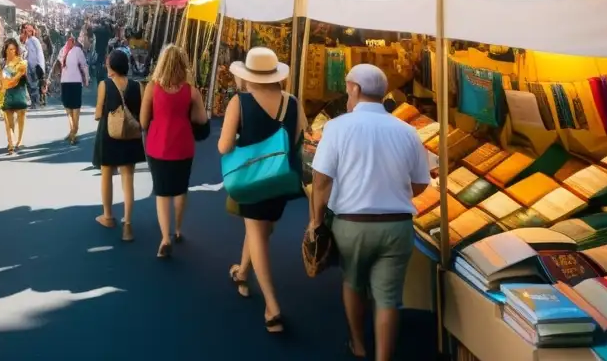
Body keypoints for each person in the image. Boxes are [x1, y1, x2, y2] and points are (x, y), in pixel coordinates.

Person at [310, 64, 429, 361]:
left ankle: (359, 344)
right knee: (389, 299)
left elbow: (321, 181)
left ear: (355, 89)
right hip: (397, 226)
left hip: (352, 224)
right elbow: (420, 184)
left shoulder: (337, 127)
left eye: (348, 88)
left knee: (353, 282)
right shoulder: (408, 131)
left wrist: (316, 222)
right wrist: (395, 193)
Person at [218, 47, 306, 334]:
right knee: (260, 230)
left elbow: (224, 146)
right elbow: (297, 139)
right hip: (281, 180)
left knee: (258, 235)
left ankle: (272, 306)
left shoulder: (240, 103)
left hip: (251, 179)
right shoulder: (292, 102)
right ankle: (242, 273)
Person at [140, 44, 207, 258]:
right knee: (180, 188)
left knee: (162, 191)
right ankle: (178, 229)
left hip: (158, 144)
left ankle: (165, 238)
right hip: (183, 144)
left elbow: (143, 121)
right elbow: (202, 119)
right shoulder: (191, 91)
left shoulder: (152, 88)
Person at [93, 48, 145, 242]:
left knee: (106, 174)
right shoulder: (137, 86)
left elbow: (98, 114)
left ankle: (107, 216)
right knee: (128, 178)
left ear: (112, 66)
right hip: (131, 136)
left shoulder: (104, 85)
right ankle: (128, 225)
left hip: (109, 135)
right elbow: (141, 112)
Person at [0, 38, 31, 154]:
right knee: (9, 120)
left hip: (19, 91)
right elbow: (1, 79)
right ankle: (11, 141)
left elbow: (24, 76)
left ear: (16, 50)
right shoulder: (3, 63)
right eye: (9, 49)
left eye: (13, 49)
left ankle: (19, 140)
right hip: (8, 94)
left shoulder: (21, 62)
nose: (11, 51)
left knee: (21, 116)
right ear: (5, 50)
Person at [58, 32, 90, 144]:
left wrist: (87, 78)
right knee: (72, 108)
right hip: (70, 82)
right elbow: (83, 65)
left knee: (72, 109)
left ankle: (73, 132)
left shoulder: (71, 50)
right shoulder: (68, 50)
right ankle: (73, 132)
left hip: (70, 82)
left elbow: (83, 65)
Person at [21, 23, 47, 109]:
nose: (27, 32)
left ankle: (36, 103)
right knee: (30, 84)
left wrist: (40, 65)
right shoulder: (27, 41)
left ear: (32, 32)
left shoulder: (35, 40)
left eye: (29, 31)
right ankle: (33, 102)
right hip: (28, 66)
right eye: (26, 31)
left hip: (35, 66)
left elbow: (39, 54)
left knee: (34, 85)